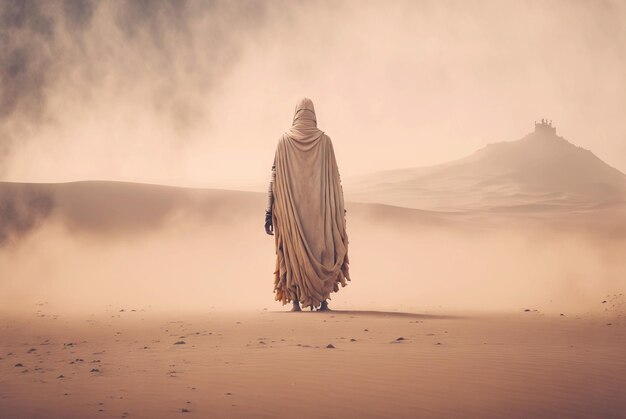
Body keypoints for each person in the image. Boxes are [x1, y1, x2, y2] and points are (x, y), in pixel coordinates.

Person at [264, 97, 351, 311]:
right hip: (320, 213)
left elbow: (273, 179)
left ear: (295, 114)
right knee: (323, 250)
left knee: (293, 253)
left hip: (290, 213)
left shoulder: (283, 141)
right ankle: (322, 302)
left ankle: (295, 302)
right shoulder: (325, 141)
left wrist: (268, 211)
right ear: (313, 114)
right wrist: (340, 210)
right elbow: (335, 180)